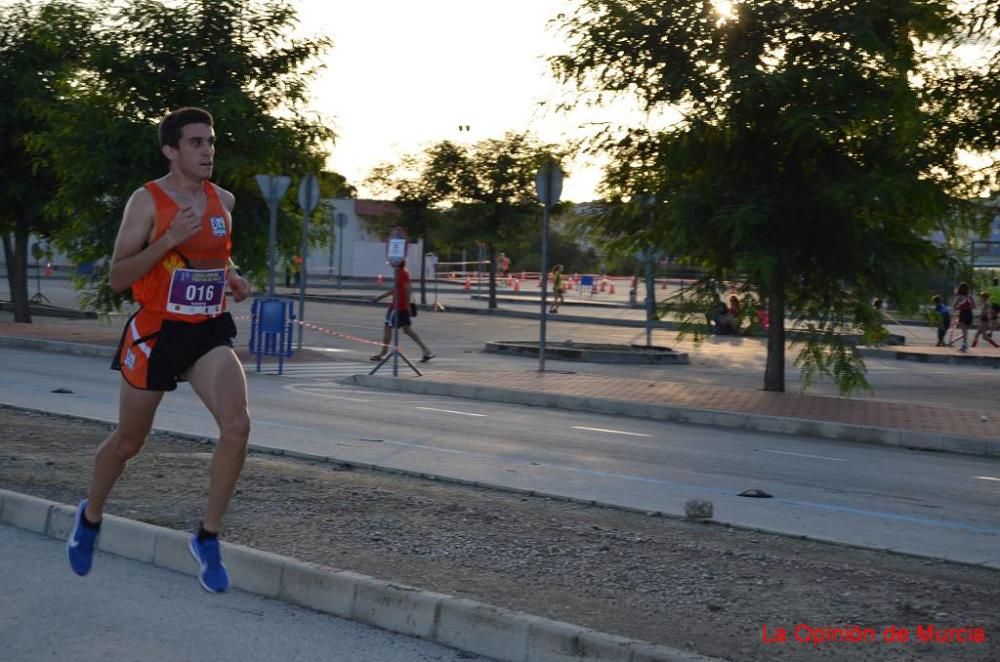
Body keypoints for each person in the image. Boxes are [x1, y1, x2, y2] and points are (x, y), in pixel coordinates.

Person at [66, 107, 252, 594]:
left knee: (237, 426)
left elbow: (215, 253)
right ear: (171, 151)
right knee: (129, 443)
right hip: (156, 333)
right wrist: (169, 238)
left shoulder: (223, 200)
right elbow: (118, 277)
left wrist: (232, 276)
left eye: (210, 141)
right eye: (195, 143)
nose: (207, 150)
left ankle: (207, 537)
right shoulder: (146, 202)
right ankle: (89, 517)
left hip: (206, 330)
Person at [370, 258, 434, 362]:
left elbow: (408, 289)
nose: (390, 263)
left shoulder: (402, 273)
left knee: (388, 328)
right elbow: (395, 289)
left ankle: (382, 353)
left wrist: (408, 305)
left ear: (397, 262)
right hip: (399, 306)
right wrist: (380, 297)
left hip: (397, 307)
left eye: (391, 261)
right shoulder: (400, 272)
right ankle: (425, 350)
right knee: (407, 330)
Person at [953, 282, 975, 352]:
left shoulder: (959, 297)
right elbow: (974, 306)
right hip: (969, 313)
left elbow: (954, 306)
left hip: (963, 313)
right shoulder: (970, 296)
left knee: (964, 330)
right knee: (965, 331)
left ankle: (964, 345)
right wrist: (967, 307)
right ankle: (964, 344)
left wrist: (960, 307)